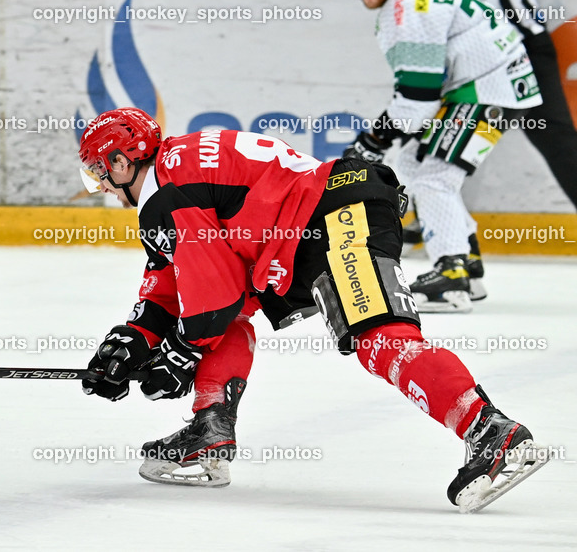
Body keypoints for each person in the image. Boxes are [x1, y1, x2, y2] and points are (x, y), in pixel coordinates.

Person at [78, 107, 546, 511]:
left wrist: (180, 353)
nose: (104, 188)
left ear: (122, 161)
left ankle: (490, 431)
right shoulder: (174, 175)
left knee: (381, 341)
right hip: (313, 225)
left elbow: (211, 299)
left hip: (332, 219)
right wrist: (132, 341)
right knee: (235, 316)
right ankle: (209, 427)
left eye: (100, 173)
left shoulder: (166, 191)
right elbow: (176, 288)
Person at [247, 0, 577, 276]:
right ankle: (457, 249)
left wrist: (375, 138)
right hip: (457, 71)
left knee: (554, 144)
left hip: (508, 61)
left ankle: (453, 257)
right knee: (424, 155)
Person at [338, 0, 542, 312]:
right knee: (417, 162)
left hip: (488, 88)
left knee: (434, 175)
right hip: (491, 81)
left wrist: (373, 141)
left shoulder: (407, 11)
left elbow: (418, 99)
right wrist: (382, 139)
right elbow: (419, 96)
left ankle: (451, 276)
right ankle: (468, 263)